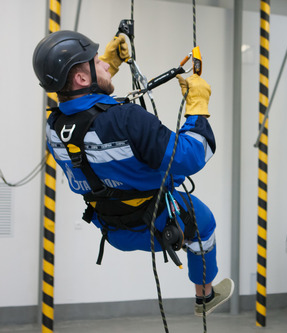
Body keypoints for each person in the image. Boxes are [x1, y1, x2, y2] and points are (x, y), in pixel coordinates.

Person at [32, 30, 233, 316]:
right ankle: (205, 295)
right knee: (205, 223)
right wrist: (197, 108)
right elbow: (192, 155)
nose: (104, 63)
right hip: (160, 223)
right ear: (81, 78)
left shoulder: (53, 128)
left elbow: (84, 116)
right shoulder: (128, 119)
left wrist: (109, 68)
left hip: (114, 230)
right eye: (96, 62)